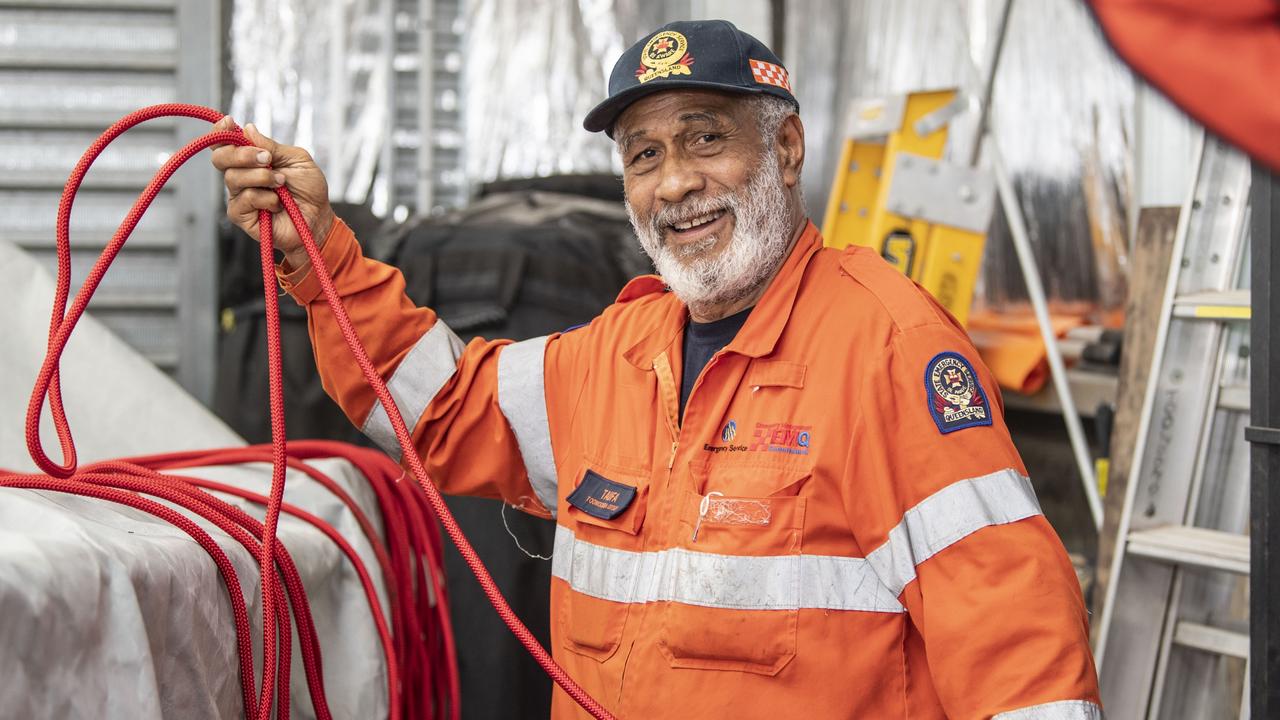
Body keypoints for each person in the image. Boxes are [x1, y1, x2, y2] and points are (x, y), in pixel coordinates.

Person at [212, 19, 1101, 720]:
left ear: (786, 150)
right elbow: (438, 409)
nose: (673, 184)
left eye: (705, 138)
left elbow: (1018, 648)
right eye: (644, 155)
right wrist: (319, 255)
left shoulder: (890, 350)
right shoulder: (612, 353)